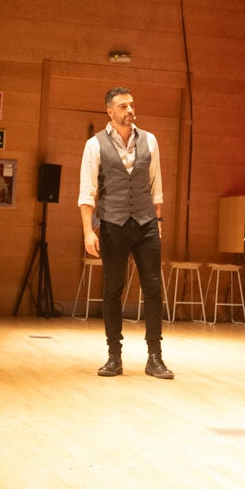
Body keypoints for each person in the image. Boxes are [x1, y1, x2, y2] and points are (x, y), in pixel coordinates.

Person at [78, 87, 173, 380]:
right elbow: (87, 192)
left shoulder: (150, 140)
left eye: (131, 105)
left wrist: (157, 220)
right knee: (112, 289)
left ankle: (155, 357)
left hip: (146, 223)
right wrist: (87, 233)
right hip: (112, 224)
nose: (130, 111)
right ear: (110, 111)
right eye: (123, 106)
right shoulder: (94, 145)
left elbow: (156, 185)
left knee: (154, 289)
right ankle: (113, 356)